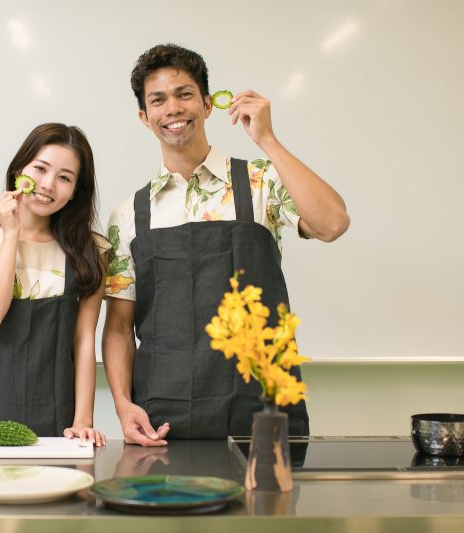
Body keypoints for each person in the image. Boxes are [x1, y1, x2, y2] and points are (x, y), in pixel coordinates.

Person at [103, 44, 350, 446]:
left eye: (184, 94)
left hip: (261, 409)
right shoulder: (129, 214)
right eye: (158, 100)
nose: (173, 109)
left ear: (206, 104)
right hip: (163, 415)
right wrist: (120, 403)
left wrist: (267, 139)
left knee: (268, 509)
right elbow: (117, 325)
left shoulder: (260, 182)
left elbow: (333, 223)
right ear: (144, 118)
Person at [0, 123, 107, 447]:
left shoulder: (94, 251)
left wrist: (84, 421)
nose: (47, 185)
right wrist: (11, 233)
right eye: (40, 169)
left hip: (56, 416)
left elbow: (84, 339)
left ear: (76, 190)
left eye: (64, 177)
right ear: (20, 169)